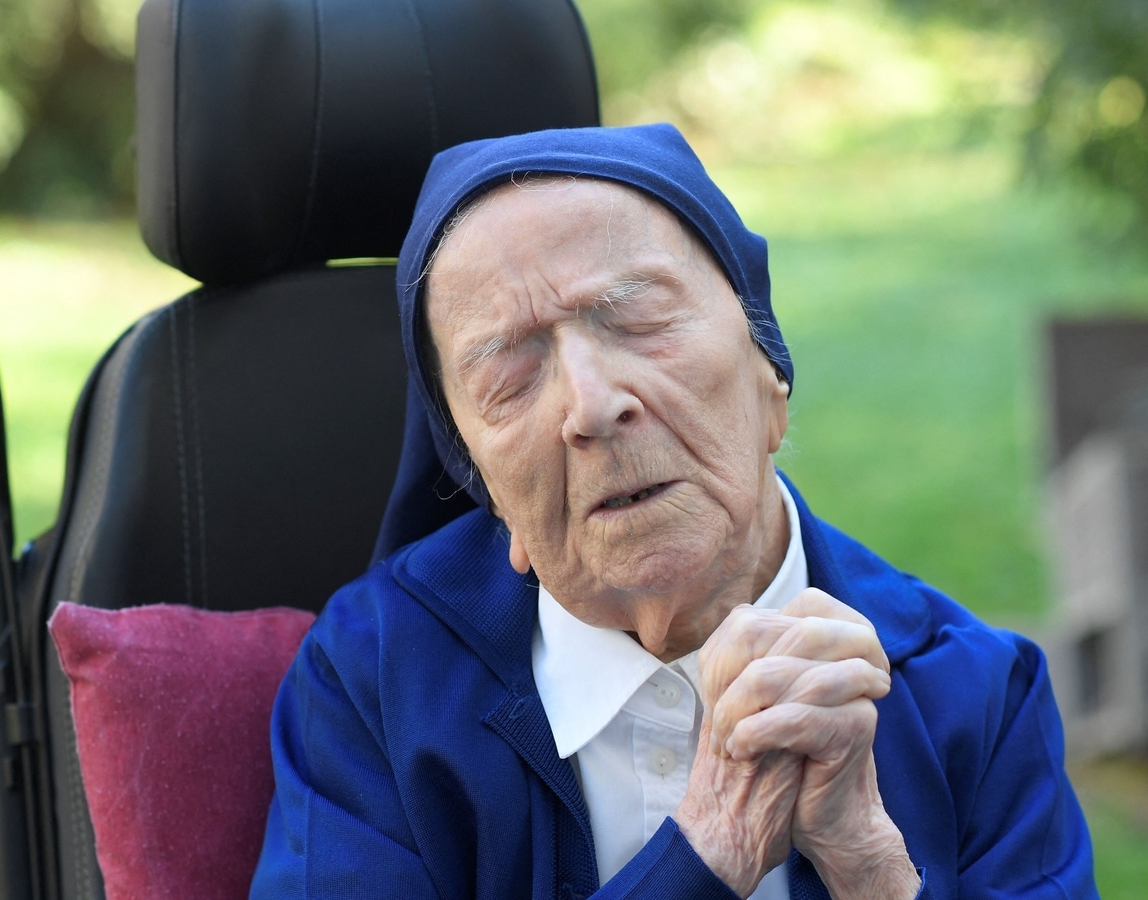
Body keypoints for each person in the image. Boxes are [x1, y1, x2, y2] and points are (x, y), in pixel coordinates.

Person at [250, 123, 1095, 899]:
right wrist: (712, 847)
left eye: (638, 317)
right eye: (510, 375)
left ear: (773, 380)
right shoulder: (373, 686)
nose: (590, 405)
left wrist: (873, 869)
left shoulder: (973, 694)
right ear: (487, 491)